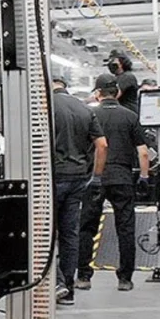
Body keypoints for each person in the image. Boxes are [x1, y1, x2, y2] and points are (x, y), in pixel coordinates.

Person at [76, 74, 150, 292]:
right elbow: (143, 152)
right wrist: (144, 177)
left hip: (95, 178)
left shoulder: (90, 114)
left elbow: (83, 148)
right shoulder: (130, 116)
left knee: (86, 227)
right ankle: (125, 279)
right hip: (122, 178)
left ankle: (84, 276)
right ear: (117, 92)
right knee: (125, 228)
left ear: (98, 93)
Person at [50, 76, 107, 306]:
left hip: (52, 178)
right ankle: (68, 289)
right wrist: (96, 177)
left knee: (43, 234)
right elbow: (102, 144)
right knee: (69, 234)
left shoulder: (45, 106)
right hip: (78, 179)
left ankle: (57, 284)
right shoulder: (84, 108)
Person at [106, 49, 139, 114]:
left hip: (128, 113)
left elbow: (114, 95)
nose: (111, 64)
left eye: (113, 61)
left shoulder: (127, 76)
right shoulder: (116, 77)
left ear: (122, 62)